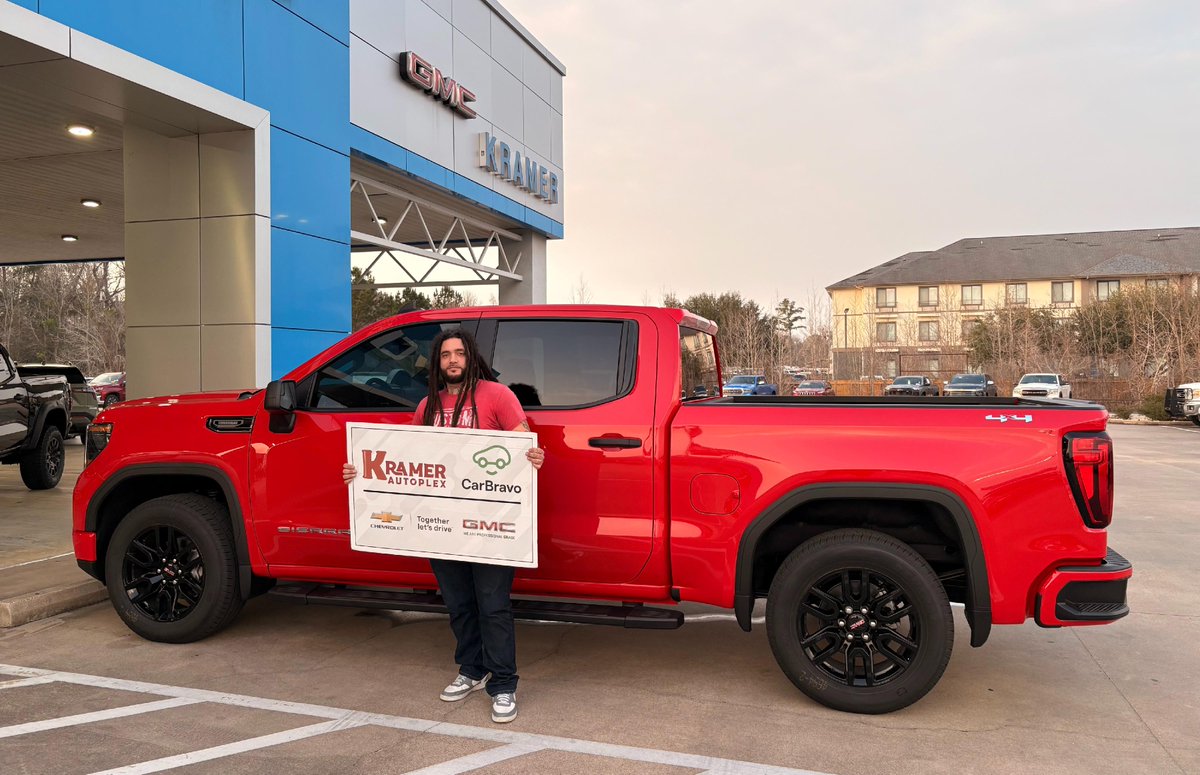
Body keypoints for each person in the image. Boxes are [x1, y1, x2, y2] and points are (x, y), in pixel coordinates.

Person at [342, 328, 544, 724]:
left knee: (493, 606)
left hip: (490, 524)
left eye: (459, 353)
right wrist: (361, 472)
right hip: (441, 527)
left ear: (470, 357)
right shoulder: (427, 406)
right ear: (437, 363)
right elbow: (405, 463)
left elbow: (524, 447)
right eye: (445, 355)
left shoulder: (497, 396)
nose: (452, 360)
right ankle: (471, 668)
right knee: (459, 604)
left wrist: (535, 456)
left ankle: (503, 684)